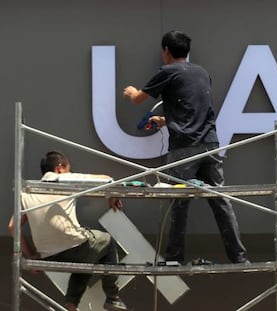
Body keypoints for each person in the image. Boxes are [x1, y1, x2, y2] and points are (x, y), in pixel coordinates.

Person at [123, 30, 248, 264]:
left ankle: (174, 257)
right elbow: (192, 107)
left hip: (184, 147)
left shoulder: (167, 71)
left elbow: (140, 98)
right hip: (210, 145)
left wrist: (131, 93)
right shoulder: (201, 73)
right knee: (220, 200)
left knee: (178, 201)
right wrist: (165, 121)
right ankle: (239, 257)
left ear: (166, 51)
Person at [8, 151, 130, 311]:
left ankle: (72, 303)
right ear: (59, 168)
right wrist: (114, 194)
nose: (70, 173)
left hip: (47, 256)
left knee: (88, 259)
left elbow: (12, 226)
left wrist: (31, 255)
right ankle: (113, 297)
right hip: (76, 247)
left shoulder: (28, 192)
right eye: (68, 169)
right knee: (106, 241)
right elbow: (106, 179)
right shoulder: (64, 179)